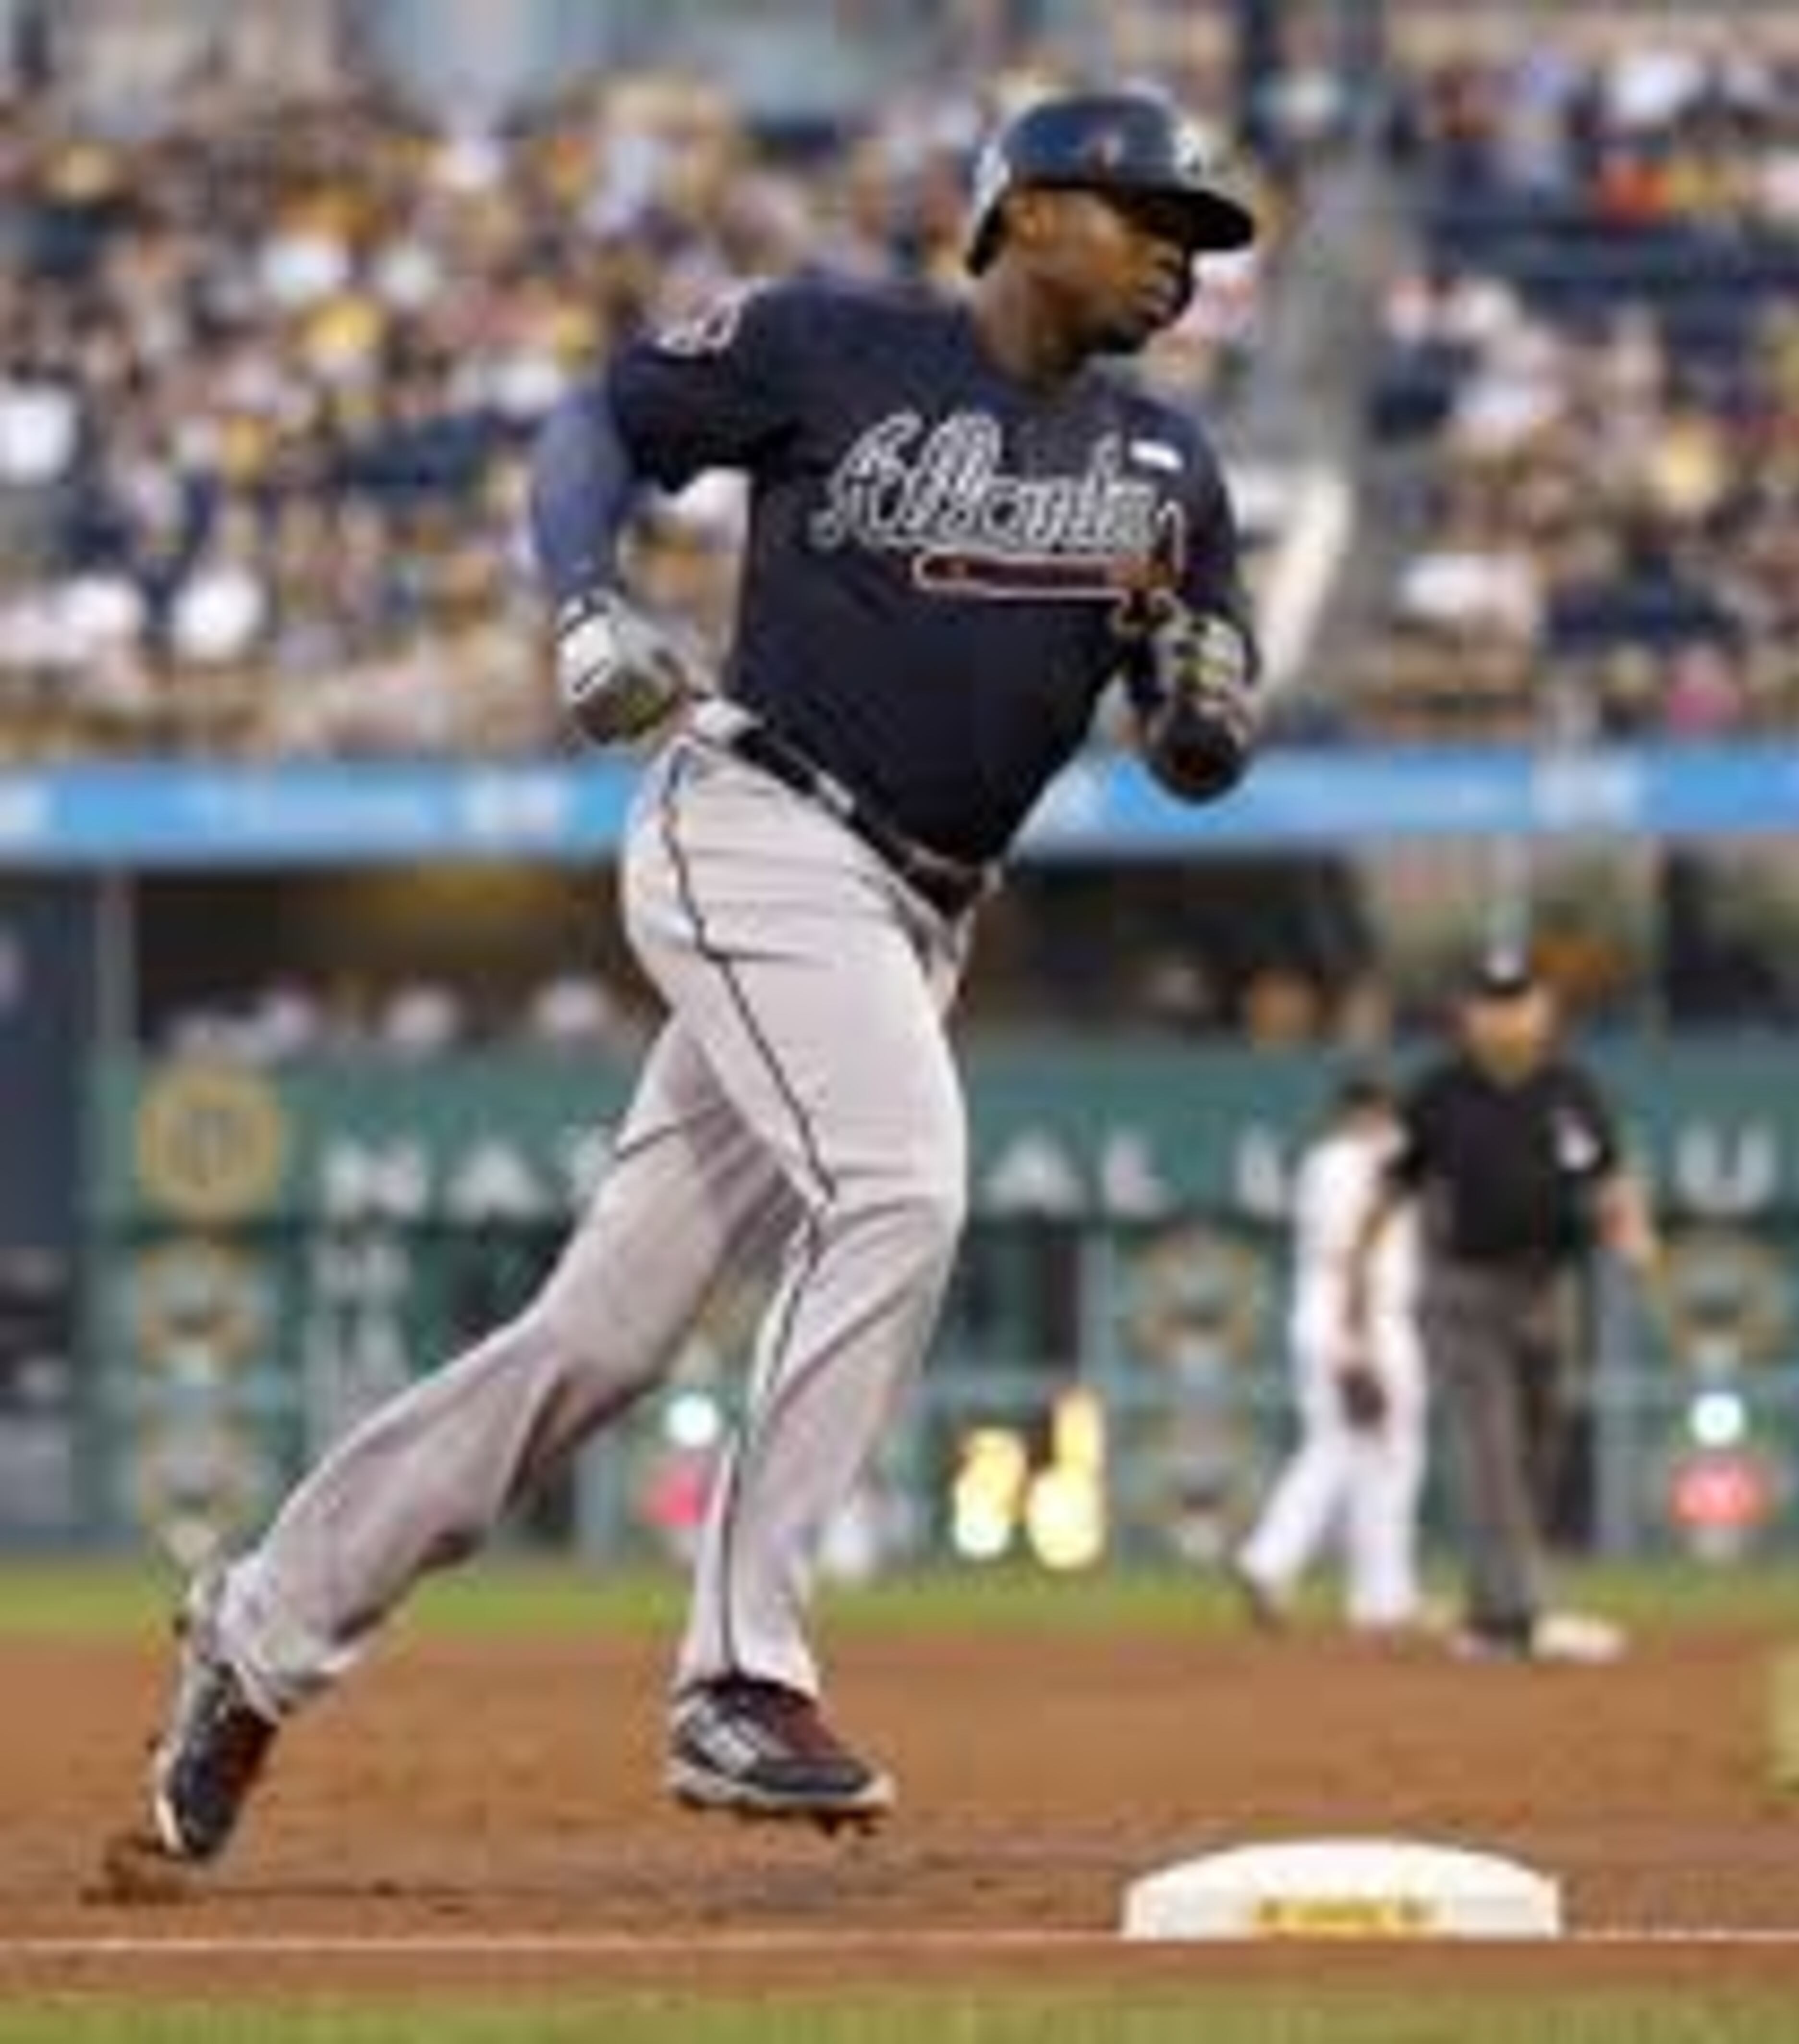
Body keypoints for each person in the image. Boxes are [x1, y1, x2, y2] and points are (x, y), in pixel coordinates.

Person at [127, 87, 1265, 1868]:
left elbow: (1199, 735)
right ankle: (741, 1667)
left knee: (589, 1343)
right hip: (757, 830)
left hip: (913, 918)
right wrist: (584, 595)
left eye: (1196, 237)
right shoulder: (831, 345)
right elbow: (601, 421)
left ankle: (257, 1632)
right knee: (900, 1182)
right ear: (1026, 208)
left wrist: (1205, 710)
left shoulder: (1169, 468)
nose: (1178, 259)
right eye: (1149, 217)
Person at [1340, 948, 1660, 1663]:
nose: (1506, 1015)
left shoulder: (1569, 1089)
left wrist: (1633, 1230)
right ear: (1469, 1014)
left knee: (1537, 1446)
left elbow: (1610, 1178)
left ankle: (1491, 1614)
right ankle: (1522, 1613)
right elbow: (1392, 1187)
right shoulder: (1440, 1092)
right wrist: (1357, 1281)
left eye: (1519, 1000)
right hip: (1462, 1292)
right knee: (1490, 1452)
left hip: (1548, 1288)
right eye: (1492, 1001)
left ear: (1544, 1010)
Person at [1233, 1074, 1427, 1634]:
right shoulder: (1368, 1159)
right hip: (1364, 1318)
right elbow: (1355, 1251)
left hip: (1324, 1316)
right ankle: (1365, 1591)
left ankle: (1368, 1591)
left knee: (1348, 1451)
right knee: (1382, 1455)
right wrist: (1359, 1339)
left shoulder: (1322, 1163)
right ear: (1373, 1113)